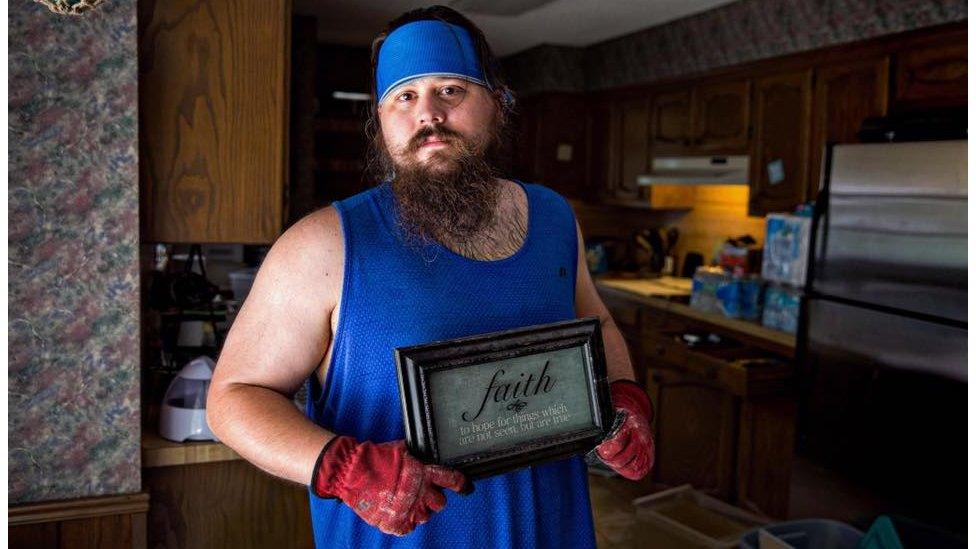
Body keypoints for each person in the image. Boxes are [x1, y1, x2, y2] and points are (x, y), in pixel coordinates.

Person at [207, 6, 655, 548]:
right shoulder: (323, 244)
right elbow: (234, 397)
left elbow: (596, 321)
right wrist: (342, 467)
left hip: (553, 530)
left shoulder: (554, 218)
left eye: (451, 90)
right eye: (405, 96)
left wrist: (626, 394)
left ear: (497, 103)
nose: (429, 115)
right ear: (381, 120)